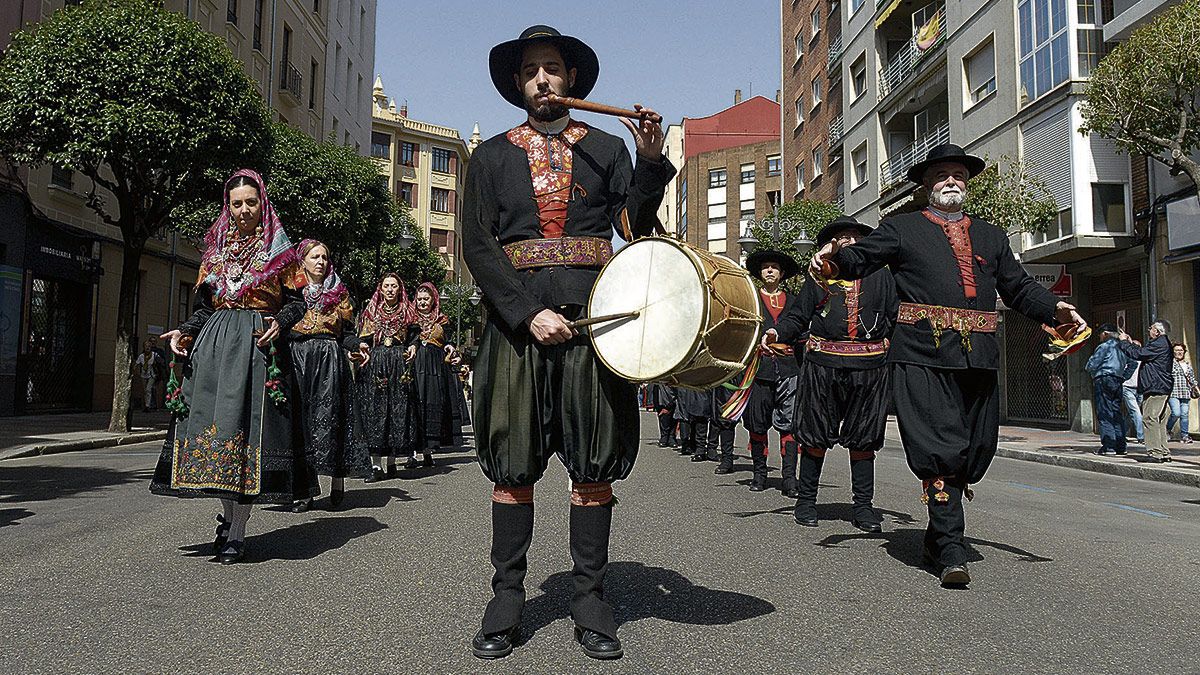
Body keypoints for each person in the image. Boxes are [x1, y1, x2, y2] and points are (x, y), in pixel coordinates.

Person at [462, 25, 674, 660]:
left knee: (594, 463)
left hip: (592, 324)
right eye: (531, 71)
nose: (543, 79)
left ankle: (591, 600)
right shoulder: (490, 157)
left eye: (552, 68)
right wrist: (527, 313)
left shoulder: (609, 148)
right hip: (516, 329)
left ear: (572, 79)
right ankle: (506, 597)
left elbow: (635, 228)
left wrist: (651, 162)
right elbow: (479, 245)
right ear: (519, 84)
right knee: (513, 461)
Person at [809, 144, 1086, 587]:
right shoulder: (900, 228)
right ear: (927, 185)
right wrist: (834, 260)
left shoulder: (993, 237)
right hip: (921, 356)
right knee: (940, 447)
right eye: (941, 175)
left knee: (975, 448)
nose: (951, 180)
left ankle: (936, 539)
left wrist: (1055, 309)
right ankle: (951, 550)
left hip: (978, 357)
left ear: (967, 182)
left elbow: (1017, 289)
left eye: (958, 173)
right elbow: (861, 257)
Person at [151, 169, 315, 565]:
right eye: (236, 203)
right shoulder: (215, 253)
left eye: (251, 203)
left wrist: (281, 322)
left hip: (259, 347)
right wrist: (186, 333)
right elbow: (204, 307)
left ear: (263, 205)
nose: (243, 210)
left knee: (249, 438)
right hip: (216, 348)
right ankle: (230, 521)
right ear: (229, 206)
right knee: (221, 432)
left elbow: (297, 301)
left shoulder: (281, 251)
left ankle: (237, 532)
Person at [767, 216, 897, 532]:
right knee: (814, 438)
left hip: (869, 368)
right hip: (823, 365)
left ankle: (863, 508)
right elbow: (798, 316)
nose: (849, 241)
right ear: (832, 245)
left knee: (864, 442)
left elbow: (897, 318)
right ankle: (806, 501)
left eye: (855, 236)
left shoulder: (882, 275)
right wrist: (777, 332)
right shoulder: (818, 278)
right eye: (842, 238)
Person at [288, 239, 370, 511]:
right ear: (303, 261)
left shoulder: (339, 292)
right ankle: (305, 490)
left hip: (330, 360)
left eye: (325, 256)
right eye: (315, 257)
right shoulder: (291, 291)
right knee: (302, 423)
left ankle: (337, 478)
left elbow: (345, 334)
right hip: (298, 357)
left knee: (332, 419)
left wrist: (357, 344)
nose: (321, 261)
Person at [742, 249, 802, 496]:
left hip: (789, 369)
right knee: (757, 423)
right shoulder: (750, 299)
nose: (769, 270)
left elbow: (802, 329)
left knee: (789, 425)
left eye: (774, 267)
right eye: (765, 267)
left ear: (782, 273)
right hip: (759, 369)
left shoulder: (795, 301)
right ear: (760, 272)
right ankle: (759, 474)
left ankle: (789, 479)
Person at [354, 273, 420, 480]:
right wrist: (360, 347)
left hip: (399, 364)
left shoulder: (409, 312)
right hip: (376, 362)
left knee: (397, 409)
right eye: (387, 286)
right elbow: (363, 338)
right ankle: (376, 465)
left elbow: (415, 337)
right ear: (380, 289)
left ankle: (392, 460)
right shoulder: (371, 312)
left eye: (394, 286)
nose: (390, 289)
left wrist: (413, 347)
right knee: (375, 410)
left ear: (399, 289)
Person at [411, 282, 459, 467]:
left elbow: (449, 341)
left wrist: (450, 347)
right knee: (414, 405)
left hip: (434, 368)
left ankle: (428, 451)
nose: (422, 302)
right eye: (420, 299)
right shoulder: (409, 318)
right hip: (414, 365)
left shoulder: (442, 320)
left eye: (426, 299)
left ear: (433, 300)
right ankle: (412, 453)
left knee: (431, 404)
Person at [1118, 320, 1174, 462]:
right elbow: (1141, 352)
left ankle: (1155, 453)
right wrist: (1130, 343)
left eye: (1151, 328)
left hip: (1156, 387)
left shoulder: (1159, 344)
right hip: (1160, 386)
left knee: (1149, 418)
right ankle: (1163, 451)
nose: (1149, 330)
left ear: (1157, 331)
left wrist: (1124, 343)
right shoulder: (1162, 343)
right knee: (1159, 420)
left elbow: (1139, 354)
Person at [1085, 323, 1130, 456]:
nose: (1099, 337)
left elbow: (1092, 364)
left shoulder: (1104, 346)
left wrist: (1091, 368)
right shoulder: (1122, 347)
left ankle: (1109, 446)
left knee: (1104, 412)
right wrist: (1123, 377)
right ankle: (1121, 446)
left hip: (1104, 378)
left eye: (1100, 334)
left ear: (1105, 334)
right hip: (1117, 380)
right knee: (1116, 412)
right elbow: (1132, 363)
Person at [1168, 343, 1197, 444]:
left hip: (1185, 392)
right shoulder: (1170, 363)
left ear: (1184, 352)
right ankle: (1167, 430)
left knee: (1184, 414)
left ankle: (1184, 435)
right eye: (1176, 350)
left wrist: (1196, 388)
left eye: (1181, 350)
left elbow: (1192, 379)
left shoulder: (1187, 365)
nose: (1179, 352)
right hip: (1173, 392)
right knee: (1176, 413)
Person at [674, 388, 713, 460]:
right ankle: (690, 445)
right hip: (688, 389)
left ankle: (700, 449)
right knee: (687, 417)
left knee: (701, 415)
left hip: (701, 389)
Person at [708, 386, 738, 473]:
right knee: (723, 418)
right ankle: (727, 459)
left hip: (743, 380)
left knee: (757, 424)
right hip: (723, 383)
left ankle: (760, 470)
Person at [135, 339, 164, 412]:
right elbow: (137, 364)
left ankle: (148, 406)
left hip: (152, 375)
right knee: (145, 391)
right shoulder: (141, 356)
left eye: (149, 346)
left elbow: (161, 362)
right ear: (144, 347)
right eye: (146, 346)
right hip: (143, 375)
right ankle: (146, 405)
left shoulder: (154, 355)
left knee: (148, 389)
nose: (147, 348)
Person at [646, 384, 678, 448]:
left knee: (673, 418)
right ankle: (664, 437)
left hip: (673, 400)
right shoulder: (656, 385)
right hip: (661, 402)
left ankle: (671, 437)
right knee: (663, 419)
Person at [1122, 354, 1144, 444]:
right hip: (1127, 388)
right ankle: (1141, 436)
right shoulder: (1125, 359)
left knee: (1131, 413)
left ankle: (1121, 434)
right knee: (1136, 412)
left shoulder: (1144, 361)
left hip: (1140, 390)